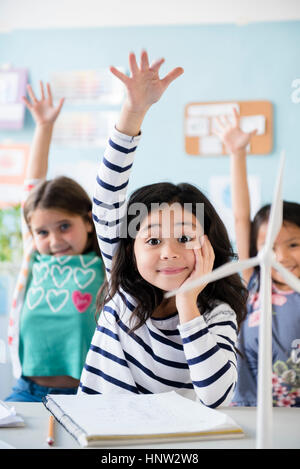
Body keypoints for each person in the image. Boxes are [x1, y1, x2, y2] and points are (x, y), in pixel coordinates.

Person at [78, 51, 248, 408]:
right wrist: (133, 112)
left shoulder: (217, 312)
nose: (169, 252)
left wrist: (187, 300)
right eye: (152, 239)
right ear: (129, 248)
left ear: (209, 244)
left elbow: (216, 396)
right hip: (100, 434)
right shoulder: (123, 287)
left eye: (185, 237)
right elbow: (106, 199)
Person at [6, 82, 104, 402]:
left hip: (85, 395)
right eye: (43, 232)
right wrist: (44, 127)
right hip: (28, 390)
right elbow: (31, 191)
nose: (54, 239)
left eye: (64, 226)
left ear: (89, 222)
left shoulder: (104, 265)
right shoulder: (34, 260)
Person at [214, 108, 300, 407]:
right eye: (269, 246)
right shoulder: (256, 279)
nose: (281, 256)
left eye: (294, 244)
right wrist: (237, 153)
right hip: (250, 407)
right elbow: (240, 217)